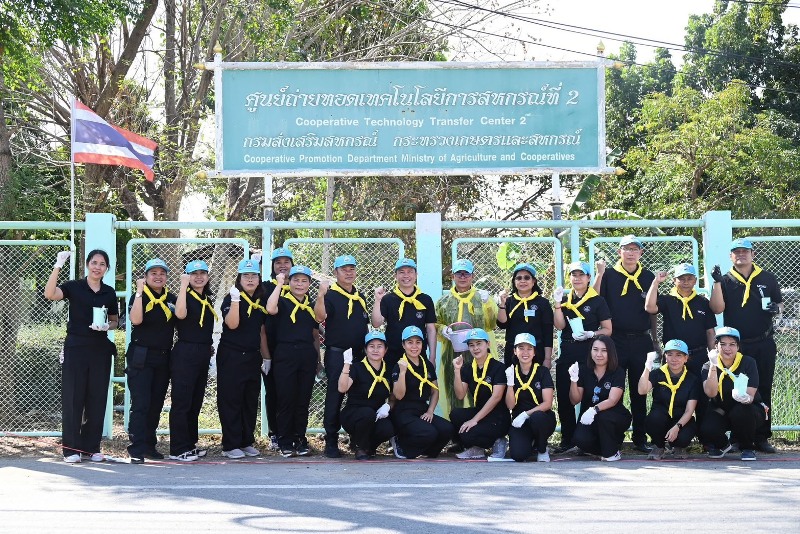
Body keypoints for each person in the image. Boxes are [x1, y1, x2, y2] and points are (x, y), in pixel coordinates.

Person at [44, 249, 119, 463]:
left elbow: (115, 320)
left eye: (102, 264)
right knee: (73, 398)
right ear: (87, 264)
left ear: (107, 268)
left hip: (100, 349)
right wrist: (58, 265)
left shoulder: (109, 292)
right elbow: (50, 294)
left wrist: (106, 326)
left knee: (97, 399)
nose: (97, 267)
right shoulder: (74, 286)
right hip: (76, 348)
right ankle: (71, 450)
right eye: (94, 262)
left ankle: (91, 448)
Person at [709, 238, 782, 453]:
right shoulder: (725, 280)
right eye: (736, 252)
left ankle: (762, 436)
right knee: (734, 390)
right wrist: (716, 283)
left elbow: (779, 303)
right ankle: (738, 438)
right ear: (731, 256)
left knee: (764, 388)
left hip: (763, 342)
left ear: (753, 254)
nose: (741, 254)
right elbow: (717, 308)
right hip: (736, 347)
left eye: (745, 251)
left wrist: (776, 309)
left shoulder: (767, 277)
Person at [594, 235, 657, 452]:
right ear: (619, 252)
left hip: (641, 340)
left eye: (634, 249)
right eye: (626, 249)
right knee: (615, 390)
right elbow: (595, 299)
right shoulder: (609, 275)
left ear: (641, 253)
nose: (630, 253)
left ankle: (640, 438)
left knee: (640, 392)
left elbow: (652, 311)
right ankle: (615, 437)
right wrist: (599, 274)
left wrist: (655, 340)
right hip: (616, 341)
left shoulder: (648, 276)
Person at [644, 262, 715, 427]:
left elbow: (710, 331)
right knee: (667, 395)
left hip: (698, 355)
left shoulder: (702, 302)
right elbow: (650, 307)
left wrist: (713, 357)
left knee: (702, 397)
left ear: (695, 280)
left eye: (689, 278)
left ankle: (703, 435)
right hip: (673, 357)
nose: (685, 282)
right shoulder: (667, 300)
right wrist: (656, 282)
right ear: (674, 280)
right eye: (681, 278)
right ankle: (668, 434)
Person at [552, 261, 612, 453]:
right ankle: (567, 439)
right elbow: (560, 326)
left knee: (588, 394)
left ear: (588, 278)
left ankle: (583, 439)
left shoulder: (597, 301)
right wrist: (557, 304)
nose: (577, 278)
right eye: (574, 275)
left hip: (589, 352)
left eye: (581, 275)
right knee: (564, 396)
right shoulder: (565, 299)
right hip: (568, 351)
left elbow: (608, 329)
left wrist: (591, 334)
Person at [314, 254, 370, 458]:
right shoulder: (330, 295)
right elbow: (319, 317)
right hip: (338, 354)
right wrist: (320, 295)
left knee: (359, 397)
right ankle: (331, 440)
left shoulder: (360, 296)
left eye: (351, 269)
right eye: (344, 269)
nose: (348, 273)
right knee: (335, 397)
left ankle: (357, 440)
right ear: (336, 272)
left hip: (359, 355)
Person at [266, 265, 321, 458]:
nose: (299, 284)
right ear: (289, 281)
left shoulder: (311, 305)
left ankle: (300, 438)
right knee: (286, 398)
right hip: (286, 353)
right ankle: (285, 441)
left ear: (309, 284)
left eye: (304, 281)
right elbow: (270, 308)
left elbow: (315, 334)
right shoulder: (282, 300)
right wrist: (279, 284)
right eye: (296, 280)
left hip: (307, 354)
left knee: (303, 399)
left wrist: (318, 360)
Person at [125, 258, 176, 464]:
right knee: (141, 403)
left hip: (163, 356)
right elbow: (136, 320)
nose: (158, 277)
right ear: (145, 277)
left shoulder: (171, 298)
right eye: (153, 273)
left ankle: (149, 445)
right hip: (141, 355)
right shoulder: (139, 296)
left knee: (156, 404)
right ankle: (136, 447)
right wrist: (139, 292)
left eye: (162, 273)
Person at [217, 258, 269, 459]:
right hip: (232, 355)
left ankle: (246, 441)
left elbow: (261, 331)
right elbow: (232, 324)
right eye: (245, 276)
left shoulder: (260, 300)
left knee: (249, 400)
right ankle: (230, 445)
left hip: (252, 356)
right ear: (239, 278)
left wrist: (266, 358)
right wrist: (236, 301)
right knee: (231, 399)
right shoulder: (231, 298)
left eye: (254, 275)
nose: (250, 279)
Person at [435, 259, 498, 416]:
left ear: (472, 276)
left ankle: (484, 422)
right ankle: (455, 424)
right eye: (459, 274)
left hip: (479, 353)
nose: (462, 277)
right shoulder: (443, 302)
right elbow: (435, 324)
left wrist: (488, 304)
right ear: (452, 276)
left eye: (466, 274)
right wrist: (443, 330)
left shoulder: (481, 298)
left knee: (482, 388)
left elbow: (491, 324)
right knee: (453, 389)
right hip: (452, 354)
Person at [170, 260, 217, 462]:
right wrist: (182, 286)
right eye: (193, 274)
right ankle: (178, 448)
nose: (199, 277)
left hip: (202, 352)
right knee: (182, 401)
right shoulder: (184, 296)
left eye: (202, 273)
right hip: (186, 352)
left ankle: (189, 443)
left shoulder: (206, 299)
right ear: (187, 277)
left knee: (195, 401)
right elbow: (180, 314)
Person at [700, 327, 763, 461]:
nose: (727, 348)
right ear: (716, 346)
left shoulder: (748, 362)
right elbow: (711, 393)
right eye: (722, 344)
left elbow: (751, 394)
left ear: (738, 347)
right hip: (721, 408)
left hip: (745, 408)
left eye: (732, 344)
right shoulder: (707, 365)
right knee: (707, 428)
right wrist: (713, 366)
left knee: (741, 412)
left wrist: (745, 398)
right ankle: (723, 445)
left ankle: (747, 447)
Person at [390, 326, 453, 459]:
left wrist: (430, 411)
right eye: (410, 342)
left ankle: (427, 451)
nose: (414, 346)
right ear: (403, 345)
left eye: (418, 342)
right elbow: (399, 395)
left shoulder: (427, 365)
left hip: (422, 409)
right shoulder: (399, 365)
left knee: (447, 429)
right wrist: (402, 372)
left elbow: (435, 391)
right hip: (404, 411)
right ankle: (401, 443)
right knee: (429, 432)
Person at [449, 328, 510, 460]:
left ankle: (498, 441)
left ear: (488, 344)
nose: (475, 348)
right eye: (471, 345)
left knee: (467, 434)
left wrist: (474, 420)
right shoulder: (468, 368)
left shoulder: (498, 367)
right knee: (455, 414)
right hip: (480, 412)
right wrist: (457, 371)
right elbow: (460, 395)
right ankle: (478, 448)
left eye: (479, 343)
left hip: (498, 416)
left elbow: (496, 397)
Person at [570, 335, 632, 462]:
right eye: (595, 349)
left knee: (603, 417)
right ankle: (608, 447)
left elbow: (612, 400)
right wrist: (574, 380)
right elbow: (575, 400)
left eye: (604, 350)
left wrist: (594, 410)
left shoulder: (618, 371)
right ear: (590, 351)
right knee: (579, 439)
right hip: (590, 417)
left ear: (611, 352)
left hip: (613, 416)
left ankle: (612, 453)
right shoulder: (584, 370)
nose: (599, 354)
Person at [637, 339, 700, 460]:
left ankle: (678, 446)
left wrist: (677, 427)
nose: (674, 359)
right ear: (665, 357)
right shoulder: (658, 373)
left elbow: (689, 410)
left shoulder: (692, 379)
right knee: (653, 420)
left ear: (686, 358)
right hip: (661, 417)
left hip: (681, 419)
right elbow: (642, 390)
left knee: (683, 437)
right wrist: (647, 367)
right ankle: (659, 446)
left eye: (679, 355)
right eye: (670, 354)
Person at [372, 258, 437, 371]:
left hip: (418, 355)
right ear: (395, 276)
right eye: (401, 272)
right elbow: (376, 323)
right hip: (392, 355)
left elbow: (431, 329)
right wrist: (378, 300)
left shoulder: (425, 299)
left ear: (416, 275)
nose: (406, 275)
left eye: (410, 272)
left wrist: (432, 357)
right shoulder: (388, 299)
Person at [338, 331, 395, 460]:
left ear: (385, 350)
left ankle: (370, 447)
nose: (375, 350)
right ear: (365, 349)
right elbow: (342, 388)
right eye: (371, 346)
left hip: (376, 413)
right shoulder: (357, 367)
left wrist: (388, 406)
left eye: (379, 346)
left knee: (388, 428)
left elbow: (393, 396)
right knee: (367, 413)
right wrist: (347, 364)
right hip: (354, 414)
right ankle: (359, 447)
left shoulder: (389, 369)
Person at [260, 246, 294, 450]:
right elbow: (262, 323)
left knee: (293, 394)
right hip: (271, 348)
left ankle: (292, 433)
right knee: (273, 392)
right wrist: (266, 355)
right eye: (278, 262)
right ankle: (275, 433)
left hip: (293, 350)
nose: (282, 265)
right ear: (272, 266)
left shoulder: (300, 287)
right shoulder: (265, 287)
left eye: (286, 262)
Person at [504, 333, 556, 462]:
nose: (525, 352)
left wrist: (526, 414)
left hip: (542, 418)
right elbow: (510, 405)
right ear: (515, 351)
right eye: (521, 348)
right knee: (518, 455)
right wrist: (510, 384)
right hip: (520, 421)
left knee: (537, 418)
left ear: (534, 352)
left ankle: (542, 448)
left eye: (529, 348)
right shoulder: (511, 372)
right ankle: (531, 443)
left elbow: (548, 403)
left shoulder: (542, 372)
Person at [497, 263, 554, 368]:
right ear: (514, 281)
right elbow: (502, 324)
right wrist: (502, 304)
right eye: (519, 278)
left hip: (536, 351)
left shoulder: (543, 303)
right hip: (513, 351)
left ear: (533, 281)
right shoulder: (508, 301)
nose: (522, 281)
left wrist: (547, 358)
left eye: (527, 278)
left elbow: (548, 332)